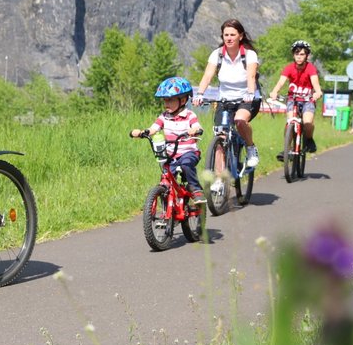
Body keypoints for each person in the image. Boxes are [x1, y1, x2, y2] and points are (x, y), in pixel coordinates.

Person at [192, 18, 262, 168]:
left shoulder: (249, 55)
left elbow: (251, 76)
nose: (229, 38)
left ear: (240, 36)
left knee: (240, 120)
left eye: (232, 34)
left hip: (247, 99)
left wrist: (250, 92)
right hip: (225, 101)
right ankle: (219, 180)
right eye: (226, 35)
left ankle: (250, 148)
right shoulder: (217, 55)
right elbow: (208, 76)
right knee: (220, 139)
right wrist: (200, 94)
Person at [131, 77, 206, 205]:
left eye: (170, 100)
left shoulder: (189, 115)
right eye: (165, 100)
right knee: (165, 178)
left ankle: (196, 189)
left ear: (182, 100)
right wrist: (143, 132)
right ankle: (168, 212)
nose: (166, 104)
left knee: (186, 165)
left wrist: (194, 130)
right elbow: (154, 128)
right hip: (171, 155)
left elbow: (197, 127)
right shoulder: (164, 116)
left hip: (188, 153)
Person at [268, 40, 324, 160]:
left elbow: (315, 84)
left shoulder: (310, 68)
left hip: (308, 100)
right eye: (297, 53)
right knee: (290, 122)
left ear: (307, 55)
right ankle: (287, 149)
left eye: (302, 54)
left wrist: (318, 92)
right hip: (292, 99)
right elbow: (281, 82)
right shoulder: (289, 68)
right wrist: (274, 92)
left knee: (308, 122)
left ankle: (309, 139)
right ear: (293, 55)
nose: (299, 56)